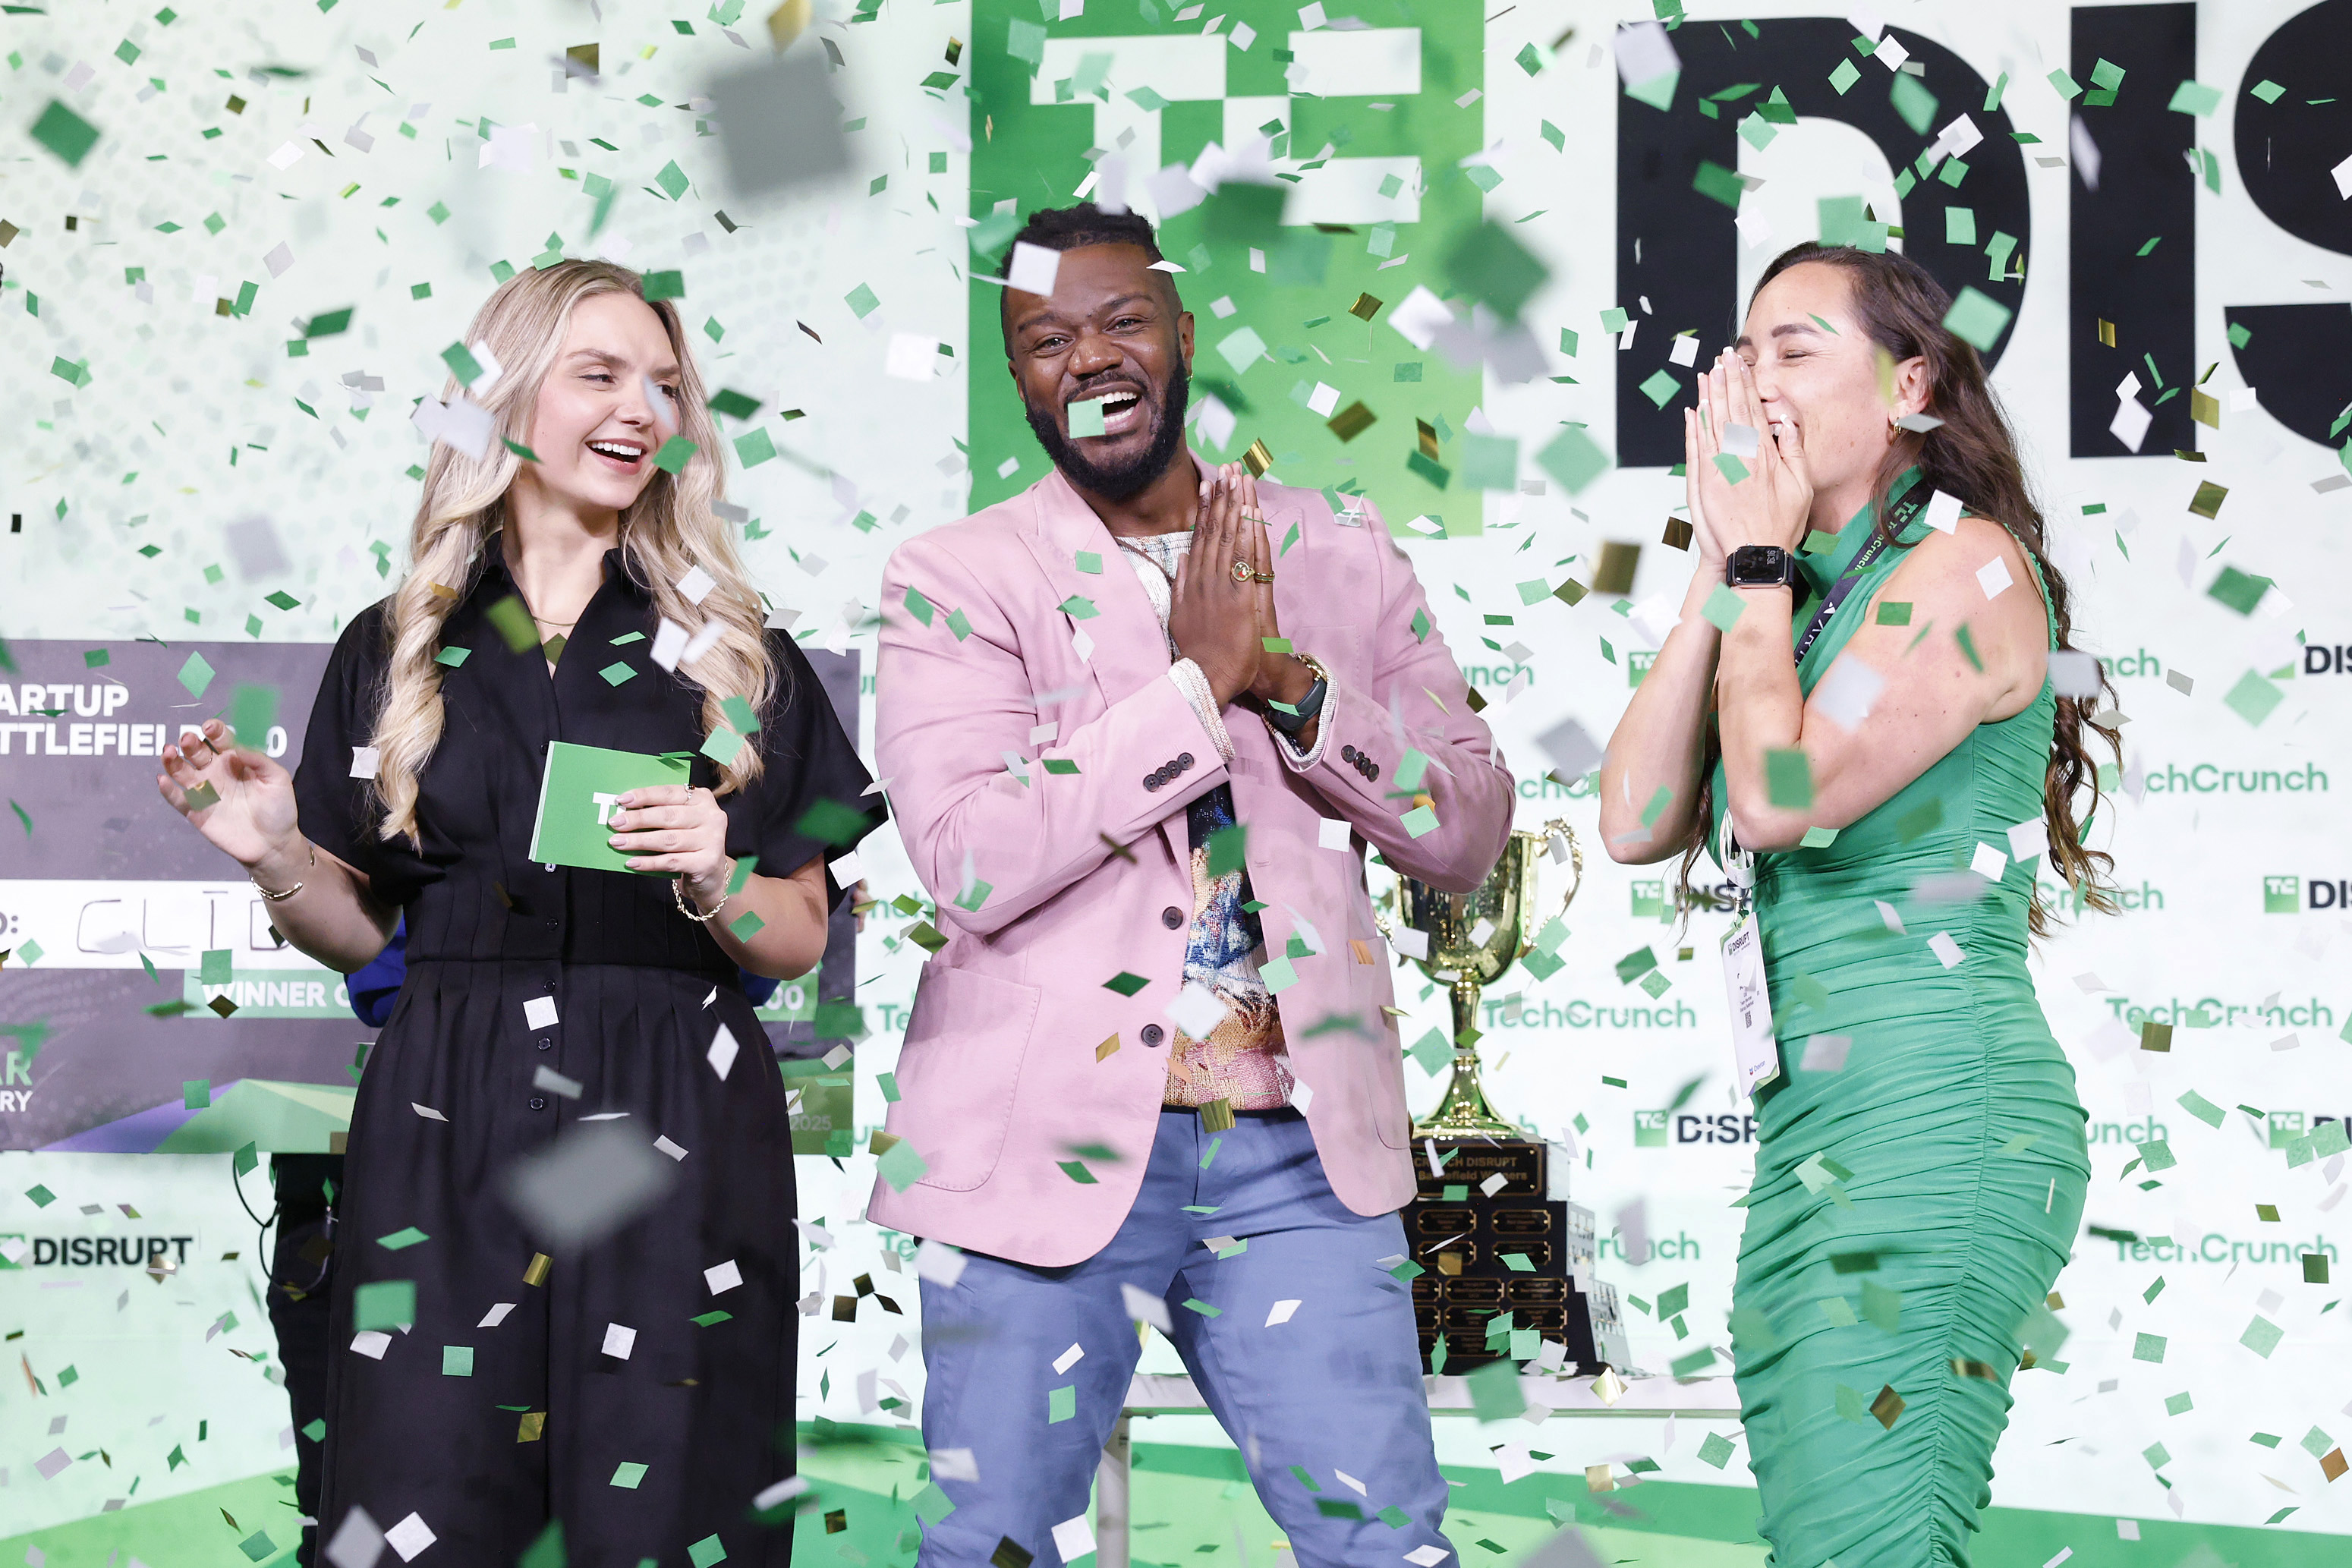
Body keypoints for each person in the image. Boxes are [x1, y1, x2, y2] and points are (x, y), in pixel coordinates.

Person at [157, 259, 884, 1565]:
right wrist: (274, 855)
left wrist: (719, 877)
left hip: (669, 1114)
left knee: (668, 1511)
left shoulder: (739, 651)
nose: (641, 409)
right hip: (446, 1102)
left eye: (664, 385)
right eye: (599, 374)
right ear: (507, 401)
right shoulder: (394, 644)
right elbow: (362, 931)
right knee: (421, 1505)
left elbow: (800, 934)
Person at [868, 203, 1515, 1564]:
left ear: (1182, 333)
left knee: (1386, 1543)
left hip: (1298, 1152)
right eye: (1047, 339)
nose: (1090, 357)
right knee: (990, 1542)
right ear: (1017, 373)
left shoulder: (1340, 547)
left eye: (1122, 321)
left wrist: (1288, 683)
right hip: (1034, 1142)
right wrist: (1194, 687)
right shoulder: (954, 577)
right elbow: (969, 858)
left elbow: (1465, 827)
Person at [1599, 241, 2117, 1566]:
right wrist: (1725, 565)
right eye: (1744, 351)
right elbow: (1637, 817)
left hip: (1934, 1125)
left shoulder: (1967, 569)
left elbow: (1779, 798)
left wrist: (1757, 560)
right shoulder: (1790, 588)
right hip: (1818, 1138)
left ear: (1913, 387)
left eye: (1796, 346)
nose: (1755, 380)